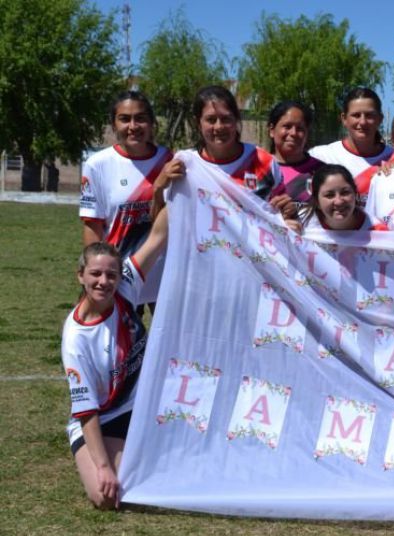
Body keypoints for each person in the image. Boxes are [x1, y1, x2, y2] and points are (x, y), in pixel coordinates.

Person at [62, 206, 170, 509]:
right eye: (95, 274)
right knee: (106, 497)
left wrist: (187, 181)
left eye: (111, 274)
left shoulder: (126, 286)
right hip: (102, 418)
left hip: (142, 407)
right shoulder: (76, 338)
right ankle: (115, 455)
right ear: (81, 276)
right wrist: (104, 466)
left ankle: (145, 451)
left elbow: (158, 235)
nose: (103, 282)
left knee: (155, 482)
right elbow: (86, 411)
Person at [79, 91, 173, 305]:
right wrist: (95, 273)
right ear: (113, 125)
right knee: (122, 339)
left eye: (140, 118)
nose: (133, 126)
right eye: (124, 119)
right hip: (120, 276)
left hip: (164, 277)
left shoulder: (170, 160)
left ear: (151, 123)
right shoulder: (98, 165)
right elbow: (93, 224)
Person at [152, 86, 289, 218]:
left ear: (236, 120)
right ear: (198, 124)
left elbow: (283, 214)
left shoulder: (264, 162)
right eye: (211, 120)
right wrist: (158, 189)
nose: (219, 127)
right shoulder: (184, 164)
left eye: (226, 119)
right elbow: (161, 230)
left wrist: (289, 214)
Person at [308, 87, 394, 209]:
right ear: (344, 119)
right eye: (356, 115)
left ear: (380, 119)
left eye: (369, 115)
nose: (363, 121)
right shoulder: (321, 156)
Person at [293, 164, 386, 232]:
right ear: (317, 202)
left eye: (345, 192)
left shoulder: (377, 231)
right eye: (329, 195)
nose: (339, 201)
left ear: (355, 194)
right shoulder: (301, 223)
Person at [267, 100, 323, 204]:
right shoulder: (258, 170)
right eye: (287, 126)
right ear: (272, 130)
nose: (293, 133)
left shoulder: (322, 172)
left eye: (300, 128)